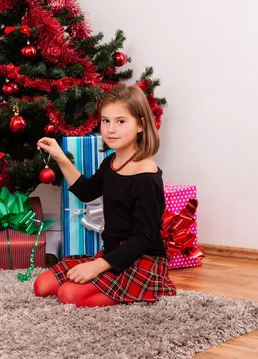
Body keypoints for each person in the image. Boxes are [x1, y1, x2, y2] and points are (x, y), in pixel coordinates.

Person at [34, 83, 176, 307]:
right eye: (105, 121)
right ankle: (111, 282)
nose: (110, 129)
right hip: (111, 254)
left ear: (140, 125)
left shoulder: (147, 178)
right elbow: (87, 191)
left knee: (68, 295)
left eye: (121, 121)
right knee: (41, 286)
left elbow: (142, 239)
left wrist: (96, 267)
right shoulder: (111, 163)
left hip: (141, 258)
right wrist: (60, 158)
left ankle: (149, 290)